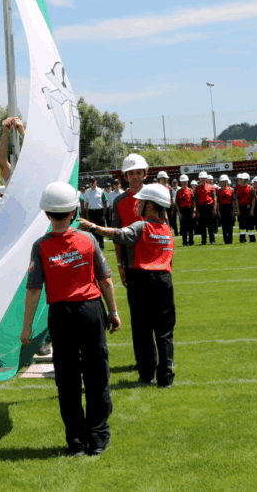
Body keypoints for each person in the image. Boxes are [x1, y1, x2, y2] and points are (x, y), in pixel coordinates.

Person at [21, 182, 121, 457]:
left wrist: (27, 328)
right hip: (90, 310)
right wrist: (113, 312)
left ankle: (76, 441)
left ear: (46, 214)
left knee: (67, 379)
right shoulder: (88, 240)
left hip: (61, 316)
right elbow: (105, 279)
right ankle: (98, 437)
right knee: (97, 374)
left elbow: (33, 290)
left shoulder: (40, 246)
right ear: (75, 210)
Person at [81, 183, 174, 388]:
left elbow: (119, 234)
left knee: (143, 329)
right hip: (165, 282)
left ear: (150, 206)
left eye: (140, 202)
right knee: (165, 331)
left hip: (142, 280)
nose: (137, 205)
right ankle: (166, 377)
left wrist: (93, 227)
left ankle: (147, 374)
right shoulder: (167, 230)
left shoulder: (142, 226)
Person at [111, 154, 148, 282]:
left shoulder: (155, 196)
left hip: (153, 256)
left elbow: (165, 229)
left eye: (138, 172)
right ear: (125, 176)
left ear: (145, 174)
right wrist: (120, 265)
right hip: (130, 259)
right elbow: (117, 237)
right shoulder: (118, 201)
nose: (135, 176)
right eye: (131, 173)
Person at [82, 178, 109, 247]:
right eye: (91, 182)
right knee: (92, 228)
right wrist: (87, 215)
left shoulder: (101, 191)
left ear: (96, 182)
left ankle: (101, 242)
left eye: (93, 182)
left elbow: (105, 203)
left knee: (100, 228)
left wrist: (104, 214)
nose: (92, 183)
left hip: (99, 211)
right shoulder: (87, 191)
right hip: (91, 212)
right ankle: (95, 243)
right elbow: (86, 204)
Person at [0, 116, 25, 182]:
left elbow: (35, 156)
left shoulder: (33, 175)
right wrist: (5, 132)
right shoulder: (13, 177)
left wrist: (23, 132)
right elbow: (2, 161)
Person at [194, 171, 216, 245]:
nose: (202, 180)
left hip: (209, 207)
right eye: (201, 179)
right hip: (201, 208)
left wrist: (215, 208)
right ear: (199, 179)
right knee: (202, 225)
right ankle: (204, 241)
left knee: (210, 225)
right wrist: (195, 210)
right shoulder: (197, 188)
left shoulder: (211, 187)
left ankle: (212, 240)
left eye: (204, 179)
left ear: (206, 179)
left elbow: (214, 198)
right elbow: (195, 200)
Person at [175, 175, 195, 246]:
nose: (184, 183)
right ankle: (184, 242)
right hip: (182, 211)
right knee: (183, 228)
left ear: (187, 182)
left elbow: (194, 202)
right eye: (182, 182)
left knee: (190, 227)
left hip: (190, 210)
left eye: (185, 182)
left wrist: (194, 211)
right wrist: (179, 213)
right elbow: (177, 203)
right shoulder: (178, 192)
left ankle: (191, 242)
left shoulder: (191, 191)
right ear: (180, 183)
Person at [235, 173, 255, 242]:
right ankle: (242, 239)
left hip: (249, 207)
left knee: (250, 224)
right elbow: (237, 199)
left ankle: (252, 238)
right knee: (242, 224)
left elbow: (253, 199)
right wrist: (237, 209)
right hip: (241, 207)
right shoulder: (238, 188)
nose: (241, 181)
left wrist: (252, 209)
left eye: (243, 180)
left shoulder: (251, 188)